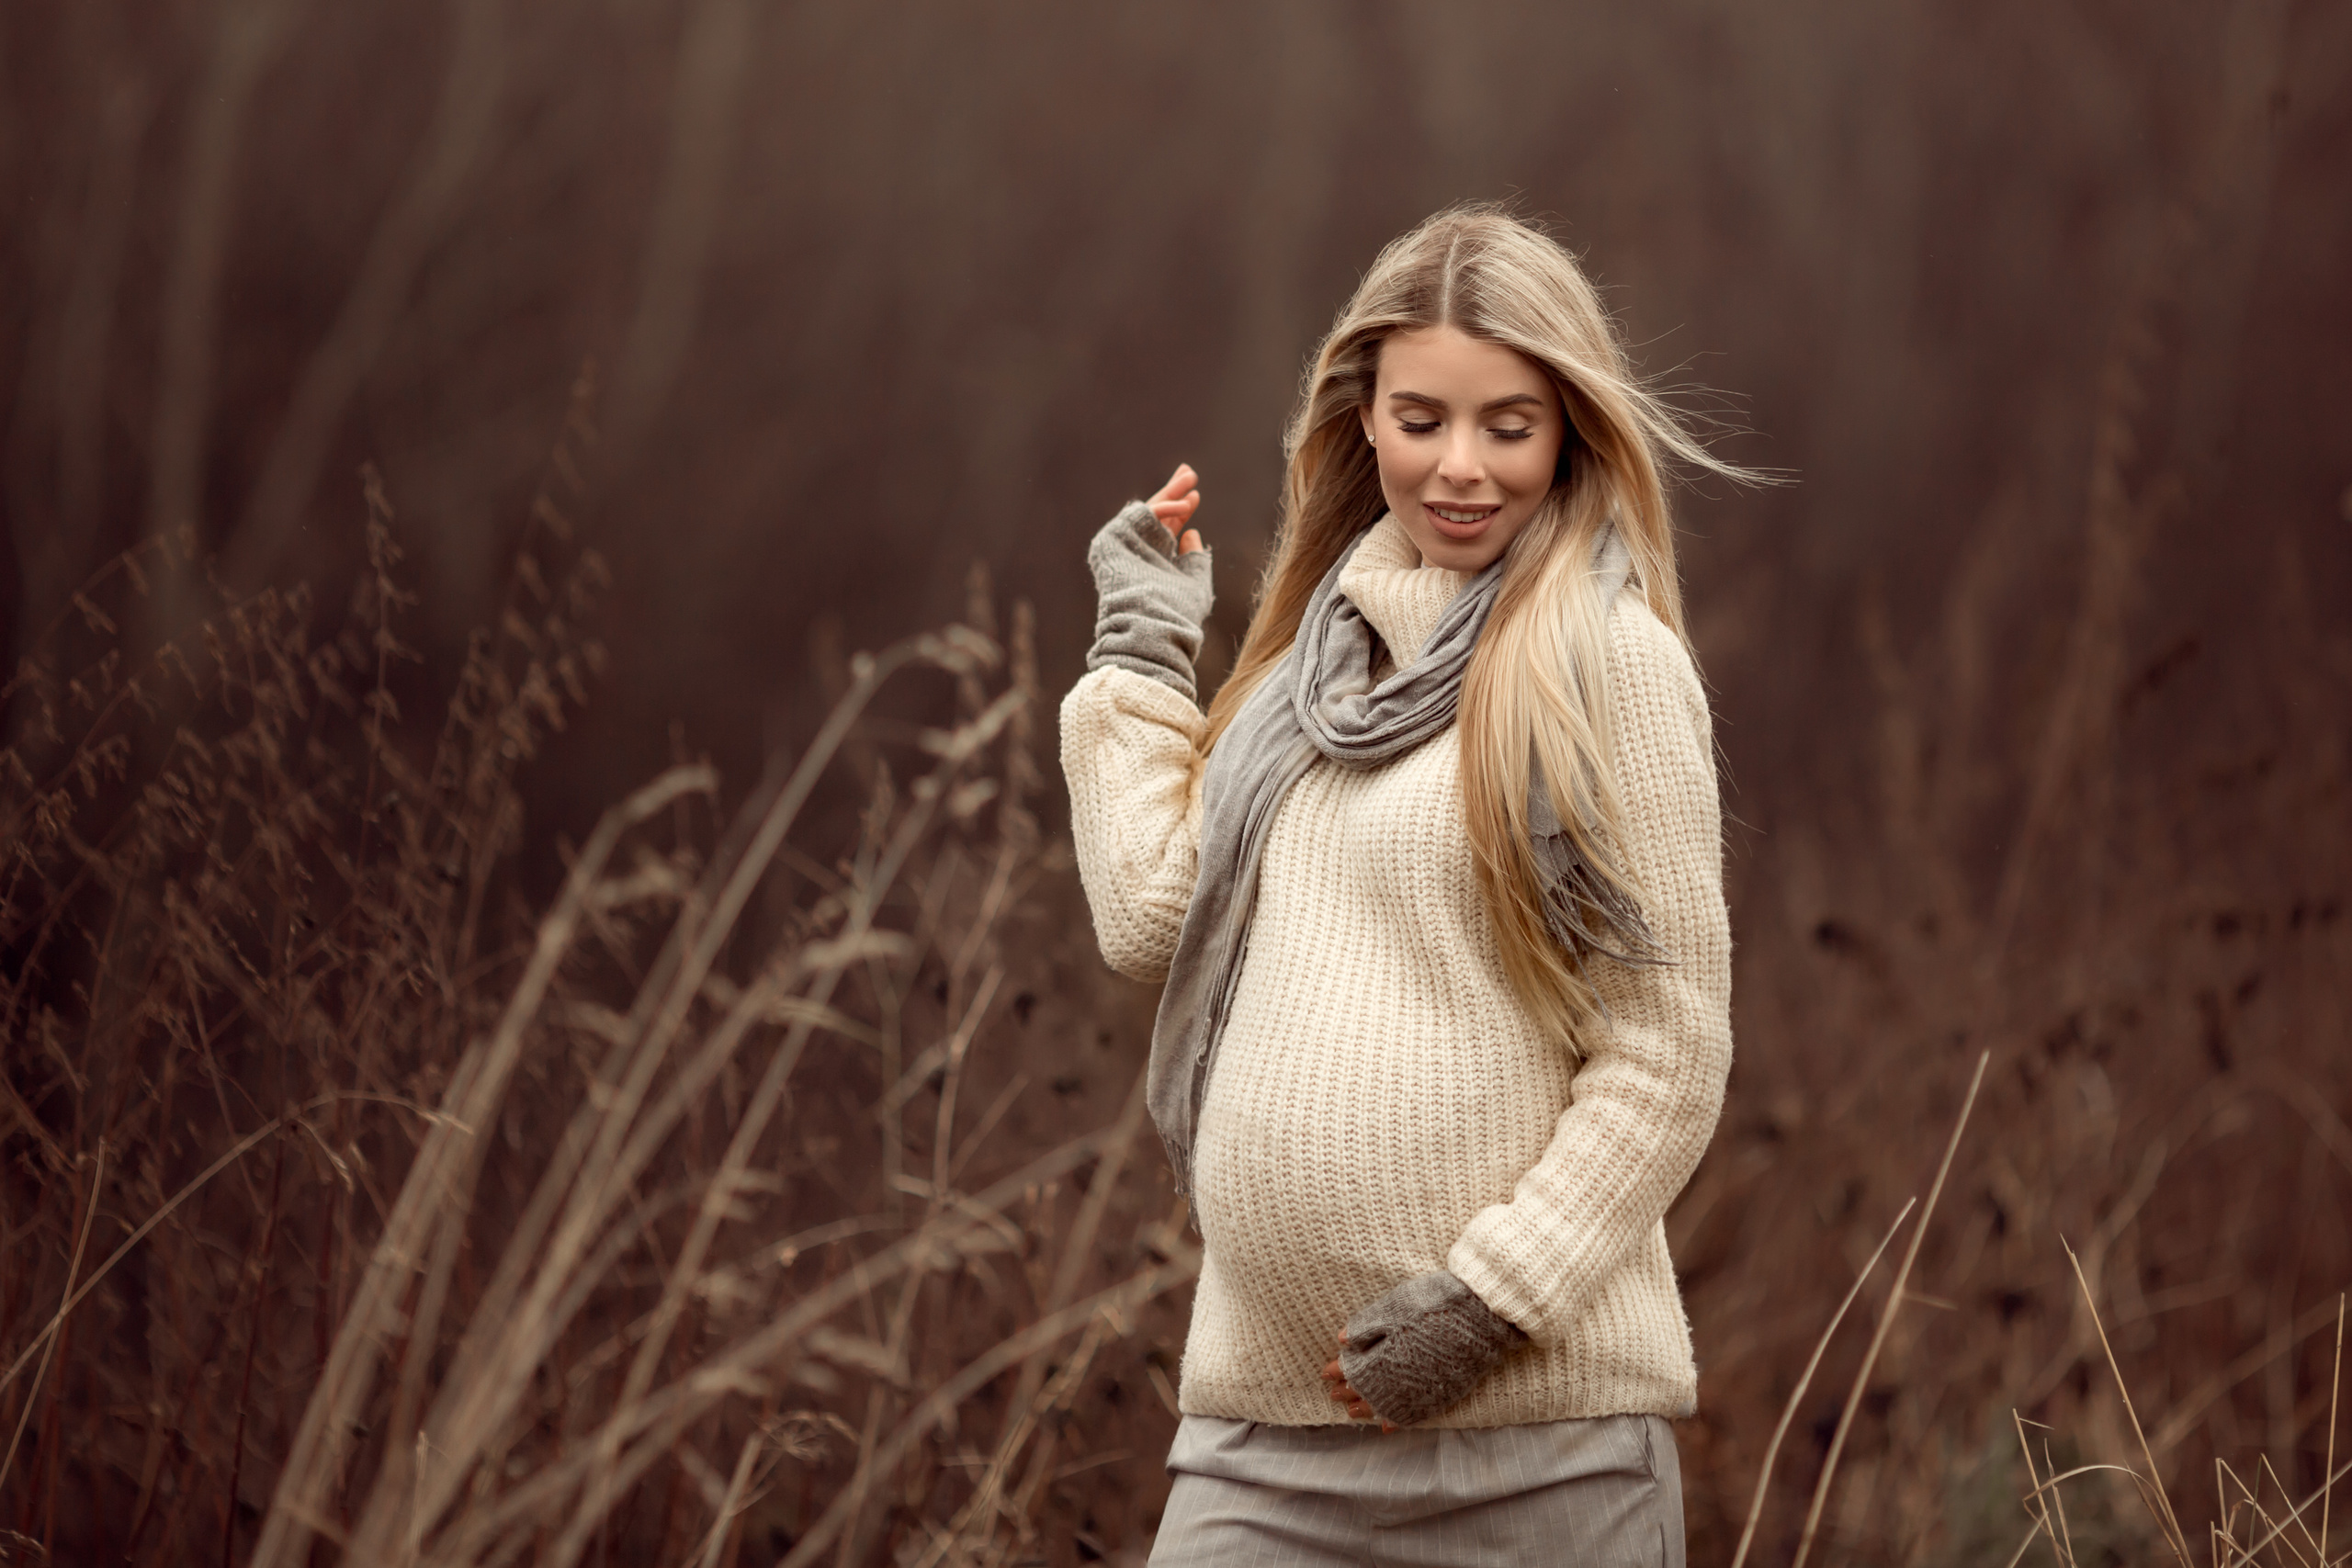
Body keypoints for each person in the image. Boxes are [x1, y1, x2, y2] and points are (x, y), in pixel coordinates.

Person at [1060, 204, 1737, 1565]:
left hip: (1542, 1453)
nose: (1462, 468)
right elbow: (1150, 922)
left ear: (1570, 434)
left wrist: (1489, 1307)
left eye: (1510, 425)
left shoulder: (1610, 668)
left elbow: (1665, 1056)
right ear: (1362, 420)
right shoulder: (1303, 685)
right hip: (1264, 1447)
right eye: (1422, 418)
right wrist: (1142, 651)